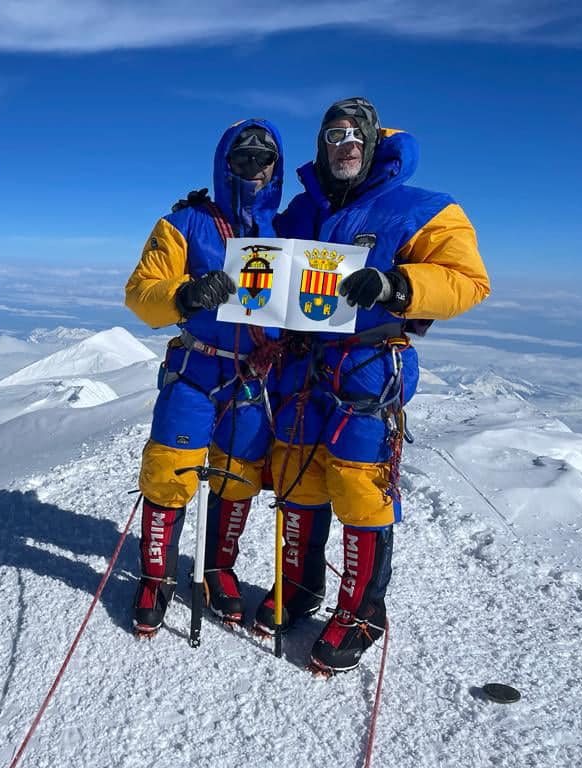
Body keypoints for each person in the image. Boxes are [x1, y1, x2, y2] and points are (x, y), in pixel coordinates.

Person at [253, 97, 490, 673]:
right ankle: (300, 586)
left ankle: (363, 611)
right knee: (297, 475)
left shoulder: (422, 208)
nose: (346, 146)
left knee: (361, 486)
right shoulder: (300, 211)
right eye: (334, 136)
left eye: (356, 136)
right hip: (302, 365)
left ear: (375, 142)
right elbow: (261, 255)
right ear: (322, 145)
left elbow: (467, 280)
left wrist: (396, 284)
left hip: (368, 364)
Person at [124, 119, 285, 636]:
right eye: (242, 158)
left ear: (276, 167)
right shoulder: (186, 223)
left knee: (238, 477)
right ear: (224, 163)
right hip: (196, 367)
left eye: (264, 159)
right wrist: (186, 294)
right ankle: (156, 575)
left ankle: (218, 568)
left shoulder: (288, 229)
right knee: (169, 472)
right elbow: (140, 292)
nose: (253, 168)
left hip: (254, 376)